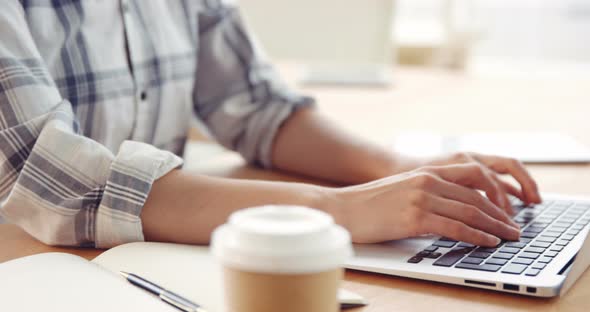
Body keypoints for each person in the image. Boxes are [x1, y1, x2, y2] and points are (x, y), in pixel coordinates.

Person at [0, 0, 540, 249]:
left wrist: (399, 171)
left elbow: (254, 103)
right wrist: (334, 209)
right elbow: (47, 178)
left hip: (150, 257)